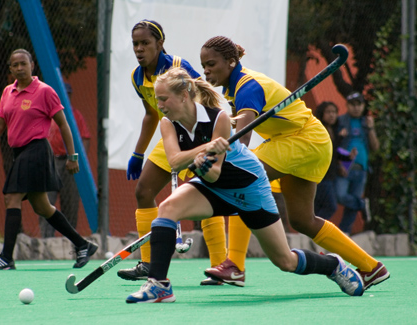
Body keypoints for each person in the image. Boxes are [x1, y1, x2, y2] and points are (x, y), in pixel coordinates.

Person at [126, 67, 364, 303]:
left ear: (184, 95)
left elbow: (214, 172)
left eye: (164, 99)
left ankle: (332, 265)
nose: (160, 105)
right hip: (213, 187)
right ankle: (159, 285)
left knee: (285, 261)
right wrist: (204, 152)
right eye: (158, 100)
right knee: (168, 209)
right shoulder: (167, 123)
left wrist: (203, 164)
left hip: (249, 187)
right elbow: (175, 162)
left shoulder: (217, 118)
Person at [199, 36, 389, 290]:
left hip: (303, 140)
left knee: (241, 180)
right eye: (203, 66)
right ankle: (371, 267)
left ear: (231, 62)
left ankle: (234, 264)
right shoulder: (234, 88)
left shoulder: (247, 86)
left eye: (211, 64)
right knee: (302, 220)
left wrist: (218, 161)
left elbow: (242, 139)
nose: (206, 70)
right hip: (312, 142)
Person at [118, 20, 227, 285]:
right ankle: (147, 263)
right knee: (143, 191)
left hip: (198, 133)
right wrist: (138, 153)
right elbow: (150, 115)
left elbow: (205, 99)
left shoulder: (179, 67)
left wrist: (206, 140)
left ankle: (220, 268)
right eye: (136, 44)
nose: (139, 49)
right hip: (171, 134)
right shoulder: (137, 76)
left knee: (205, 191)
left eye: (145, 43)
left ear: (159, 44)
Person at [0, 49, 97, 270]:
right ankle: (83, 245)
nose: (20, 68)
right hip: (20, 153)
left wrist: (73, 156)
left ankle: (6, 257)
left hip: (37, 151)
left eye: (24, 63)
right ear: (10, 68)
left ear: (32, 65)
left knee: (12, 198)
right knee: (42, 207)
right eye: (15, 65)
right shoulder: (7, 92)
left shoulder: (44, 91)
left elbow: (63, 124)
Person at [39, 82, 92, 238]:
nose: (65, 98)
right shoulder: (46, 114)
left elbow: (86, 137)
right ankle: (46, 238)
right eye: (62, 95)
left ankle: (70, 238)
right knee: (46, 199)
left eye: (68, 95)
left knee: (70, 201)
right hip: (50, 161)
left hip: (69, 161)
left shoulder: (75, 115)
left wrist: (79, 159)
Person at [335, 92, 379, 234]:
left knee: (351, 206)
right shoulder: (340, 121)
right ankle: (361, 204)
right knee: (340, 196)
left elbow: (376, 147)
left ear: (363, 106)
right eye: (352, 104)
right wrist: (338, 163)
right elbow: (334, 143)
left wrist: (371, 128)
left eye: (359, 104)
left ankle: (344, 233)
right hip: (344, 165)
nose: (356, 108)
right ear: (347, 105)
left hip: (362, 167)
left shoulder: (366, 123)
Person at [314, 101, 357, 220]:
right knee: (330, 206)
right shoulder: (319, 129)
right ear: (321, 113)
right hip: (322, 176)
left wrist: (348, 157)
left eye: (334, 112)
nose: (332, 115)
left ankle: (312, 234)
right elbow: (327, 150)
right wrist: (340, 138)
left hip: (330, 175)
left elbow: (334, 153)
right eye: (328, 112)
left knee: (318, 207)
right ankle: (315, 230)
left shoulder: (333, 130)